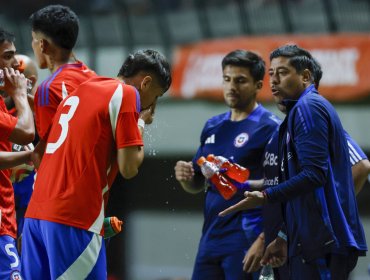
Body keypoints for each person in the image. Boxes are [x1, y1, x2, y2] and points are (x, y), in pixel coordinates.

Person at [21, 49, 172, 279]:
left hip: (35, 217)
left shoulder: (81, 90)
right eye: (156, 96)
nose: (153, 105)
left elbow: (38, 155)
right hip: (73, 219)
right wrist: (140, 123)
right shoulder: (127, 94)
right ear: (146, 83)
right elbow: (129, 167)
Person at [219, 45, 367, 279]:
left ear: (306, 76)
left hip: (321, 243)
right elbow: (291, 183)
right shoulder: (294, 118)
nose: (274, 81)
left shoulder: (309, 108)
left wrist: (266, 197)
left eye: (283, 73)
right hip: (305, 243)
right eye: (271, 74)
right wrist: (246, 187)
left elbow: (316, 174)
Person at [174, 49, 280, 280]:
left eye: (240, 80)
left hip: (245, 235)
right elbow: (198, 184)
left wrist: (264, 239)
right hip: (211, 235)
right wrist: (186, 178)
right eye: (227, 79)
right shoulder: (213, 126)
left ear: (257, 85)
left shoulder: (270, 128)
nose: (232, 86)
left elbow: (280, 185)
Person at [29, 4, 96, 166]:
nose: (33, 45)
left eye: (34, 39)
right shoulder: (93, 77)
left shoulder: (47, 90)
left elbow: (51, 152)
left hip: (62, 186)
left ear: (43, 45)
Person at [0, 28, 35, 279]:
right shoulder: (17, 115)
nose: (16, 67)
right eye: (7, 56)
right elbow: (25, 132)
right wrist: (20, 95)